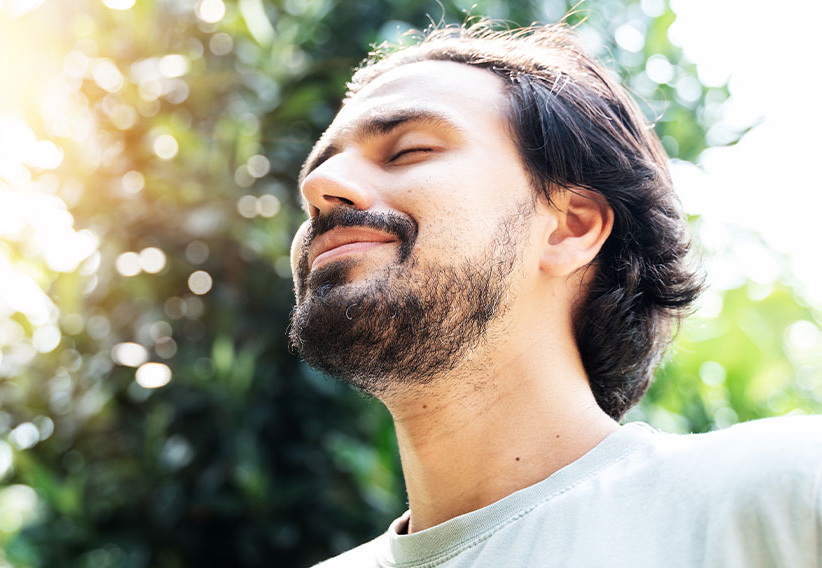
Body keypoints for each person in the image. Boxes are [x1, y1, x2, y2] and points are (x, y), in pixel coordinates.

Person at [288, 22, 822, 567]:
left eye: (409, 150)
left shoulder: (788, 492)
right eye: (320, 167)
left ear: (571, 228)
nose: (318, 187)